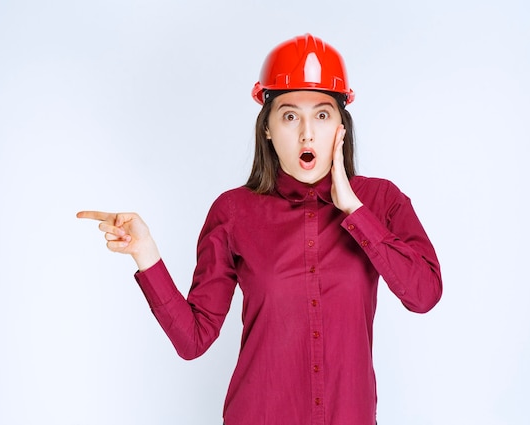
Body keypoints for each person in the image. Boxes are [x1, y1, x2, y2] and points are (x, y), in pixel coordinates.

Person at [77, 33, 442, 425]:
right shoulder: (234, 212)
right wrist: (145, 253)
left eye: (322, 115)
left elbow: (424, 295)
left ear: (341, 127)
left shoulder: (381, 201)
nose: (306, 133)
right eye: (289, 116)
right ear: (267, 128)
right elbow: (193, 340)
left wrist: (354, 209)